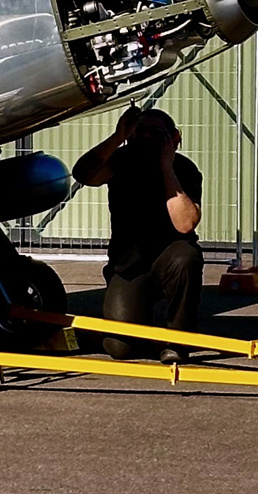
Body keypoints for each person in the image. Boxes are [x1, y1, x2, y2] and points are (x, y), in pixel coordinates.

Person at [72, 105, 204, 364]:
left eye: (156, 132)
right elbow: (83, 174)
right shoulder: (121, 161)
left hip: (169, 258)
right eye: (140, 130)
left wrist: (167, 167)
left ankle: (178, 341)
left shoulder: (185, 169)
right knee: (119, 348)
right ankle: (132, 329)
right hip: (130, 265)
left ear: (174, 137)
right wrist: (117, 137)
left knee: (186, 257)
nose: (146, 137)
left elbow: (186, 224)